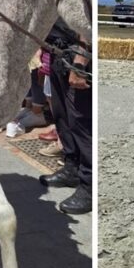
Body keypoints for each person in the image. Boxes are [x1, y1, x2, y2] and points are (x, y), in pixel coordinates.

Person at [37, 19, 93, 215]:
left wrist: (80, 62)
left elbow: (88, 19)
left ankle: (90, 185)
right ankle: (72, 168)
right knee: (63, 117)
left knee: (82, 123)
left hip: (77, 52)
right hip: (57, 48)